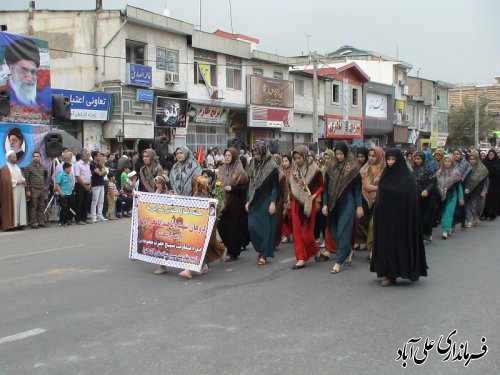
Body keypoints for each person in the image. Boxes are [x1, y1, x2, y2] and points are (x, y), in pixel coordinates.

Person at [369, 148, 428, 287]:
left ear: (399, 160)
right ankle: (389, 275)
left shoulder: (407, 178)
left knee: (401, 245)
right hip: (386, 219)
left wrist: (384, 190)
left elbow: (410, 198)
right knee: (387, 245)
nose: (390, 162)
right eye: (388, 159)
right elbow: (381, 196)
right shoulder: (385, 175)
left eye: (393, 159)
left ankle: (408, 270)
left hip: (402, 221)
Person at [322, 142, 363, 274]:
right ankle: (348, 251)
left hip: (348, 204)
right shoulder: (330, 167)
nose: (339, 156)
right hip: (333, 205)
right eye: (337, 153)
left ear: (346, 153)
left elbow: (357, 190)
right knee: (334, 231)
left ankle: (338, 262)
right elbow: (326, 188)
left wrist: (359, 206)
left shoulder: (353, 168)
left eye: (341, 154)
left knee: (343, 232)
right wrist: (324, 204)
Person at [289, 145, 323, 269]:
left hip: (309, 203)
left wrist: (314, 196)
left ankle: (315, 249)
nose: (297, 160)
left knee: (306, 233)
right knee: (297, 232)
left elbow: (321, 186)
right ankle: (301, 258)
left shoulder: (314, 168)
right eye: (295, 158)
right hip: (296, 203)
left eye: (299, 158)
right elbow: (291, 187)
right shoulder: (294, 169)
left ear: (305, 156)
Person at [245, 141, 279, 266]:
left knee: (265, 229)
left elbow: (275, 187)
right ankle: (260, 249)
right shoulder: (253, 163)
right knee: (252, 227)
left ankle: (264, 254)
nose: (255, 156)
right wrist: (248, 200)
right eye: (254, 153)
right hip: (255, 199)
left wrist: (273, 202)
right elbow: (251, 183)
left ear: (263, 152)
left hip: (266, 200)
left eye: (258, 154)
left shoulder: (272, 166)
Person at [216, 147, 249, 262]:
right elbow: (217, 182)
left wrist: (232, 189)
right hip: (222, 202)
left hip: (235, 204)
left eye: (229, 155)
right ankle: (227, 247)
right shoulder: (221, 168)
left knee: (233, 228)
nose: (227, 157)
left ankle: (233, 252)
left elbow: (245, 189)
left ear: (234, 157)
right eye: (226, 155)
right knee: (221, 227)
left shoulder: (241, 172)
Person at [1, 38, 47, 107]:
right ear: (12, 69)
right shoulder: (2, 96)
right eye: (24, 71)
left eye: (33, 72)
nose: (29, 78)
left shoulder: (41, 103)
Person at [359, 146, 386, 257]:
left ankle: (372, 250)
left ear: (379, 156)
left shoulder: (385, 170)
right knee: (359, 221)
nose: (371, 158)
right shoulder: (364, 169)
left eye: (374, 156)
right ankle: (366, 243)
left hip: (381, 201)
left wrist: (376, 188)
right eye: (369, 156)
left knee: (373, 225)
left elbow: (391, 187)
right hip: (365, 199)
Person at [412, 151, 438, 244]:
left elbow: (433, 181)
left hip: (428, 196)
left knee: (427, 216)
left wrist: (427, 190)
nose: (417, 161)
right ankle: (421, 234)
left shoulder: (429, 168)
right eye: (416, 159)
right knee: (419, 216)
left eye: (419, 159)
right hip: (417, 195)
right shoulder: (413, 168)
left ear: (423, 159)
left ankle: (428, 234)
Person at [436, 154, 464, 239]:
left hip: (452, 195)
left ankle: (445, 229)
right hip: (440, 195)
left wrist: (461, 198)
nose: (447, 163)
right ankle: (448, 228)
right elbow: (436, 184)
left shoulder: (456, 172)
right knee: (443, 212)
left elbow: (459, 186)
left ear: (452, 162)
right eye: (445, 161)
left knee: (449, 212)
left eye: (449, 161)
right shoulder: (439, 172)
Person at [0, 150, 27, 230]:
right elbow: (5, 180)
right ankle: (12, 224)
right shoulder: (5, 168)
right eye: (13, 157)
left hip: (20, 188)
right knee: (13, 206)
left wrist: (23, 180)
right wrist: (16, 182)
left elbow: (20, 175)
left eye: (15, 157)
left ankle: (19, 223)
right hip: (12, 190)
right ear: (9, 158)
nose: (15, 158)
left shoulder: (16, 167)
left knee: (20, 206)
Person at [23, 151, 48, 228]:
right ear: (32, 157)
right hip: (33, 189)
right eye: (34, 156)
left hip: (41, 189)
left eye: (37, 156)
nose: (36, 158)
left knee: (41, 206)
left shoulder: (44, 167)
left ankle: (41, 222)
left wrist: (43, 186)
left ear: (40, 157)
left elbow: (45, 177)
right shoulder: (28, 167)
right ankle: (33, 222)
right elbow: (26, 180)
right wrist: (27, 190)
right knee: (33, 206)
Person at [464, 151, 489, 227]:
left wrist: (484, 191)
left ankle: (475, 219)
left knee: (476, 206)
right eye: (470, 159)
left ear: (477, 159)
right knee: (468, 205)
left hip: (478, 190)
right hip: (468, 189)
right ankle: (470, 220)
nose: (472, 161)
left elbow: (486, 182)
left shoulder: (482, 169)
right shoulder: (467, 168)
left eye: (473, 159)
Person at [272, 154, 289, 248]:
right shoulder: (267, 174)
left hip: (278, 201)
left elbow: (284, 190)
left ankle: (274, 242)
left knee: (277, 223)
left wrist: (286, 203)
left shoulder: (281, 175)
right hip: (268, 200)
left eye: (276, 161)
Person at [73, 149, 92, 225]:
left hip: (87, 184)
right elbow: (77, 176)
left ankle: (84, 218)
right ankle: (78, 219)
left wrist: (89, 185)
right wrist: (84, 185)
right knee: (79, 202)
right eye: (87, 156)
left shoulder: (88, 164)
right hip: (80, 185)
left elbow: (89, 175)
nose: (88, 157)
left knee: (86, 202)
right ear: (82, 156)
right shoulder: (78, 164)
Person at [482, 148, 500, 221]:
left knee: (492, 199)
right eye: (490, 155)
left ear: (495, 155)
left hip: (494, 184)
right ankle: (484, 214)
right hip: (486, 183)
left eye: (492, 155)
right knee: (485, 198)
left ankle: (492, 214)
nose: (491, 156)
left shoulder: (498, 162)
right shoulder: (485, 162)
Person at [90, 152, 108, 223]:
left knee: (101, 200)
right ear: (95, 157)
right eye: (99, 156)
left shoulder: (99, 164)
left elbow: (105, 172)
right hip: (95, 184)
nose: (100, 157)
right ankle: (93, 216)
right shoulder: (92, 164)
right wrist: (103, 171)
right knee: (95, 201)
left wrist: (103, 170)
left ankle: (100, 214)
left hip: (101, 183)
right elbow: (100, 173)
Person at [54, 162, 72, 227]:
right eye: (69, 168)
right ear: (66, 168)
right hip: (63, 194)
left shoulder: (68, 175)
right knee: (64, 208)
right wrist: (60, 192)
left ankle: (66, 221)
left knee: (67, 208)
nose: (70, 169)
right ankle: (61, 221)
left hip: (69, 193)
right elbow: (57, 184)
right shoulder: (61, 175)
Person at [280, 154, 293, 243]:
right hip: (282, 196)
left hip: (292, 196)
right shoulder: (280, 171)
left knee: (291, 216)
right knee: (283, 216)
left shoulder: (293, 171)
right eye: (283, 161)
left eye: (286, 161)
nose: (284, 163)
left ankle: (292, 234)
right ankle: (286, 234)